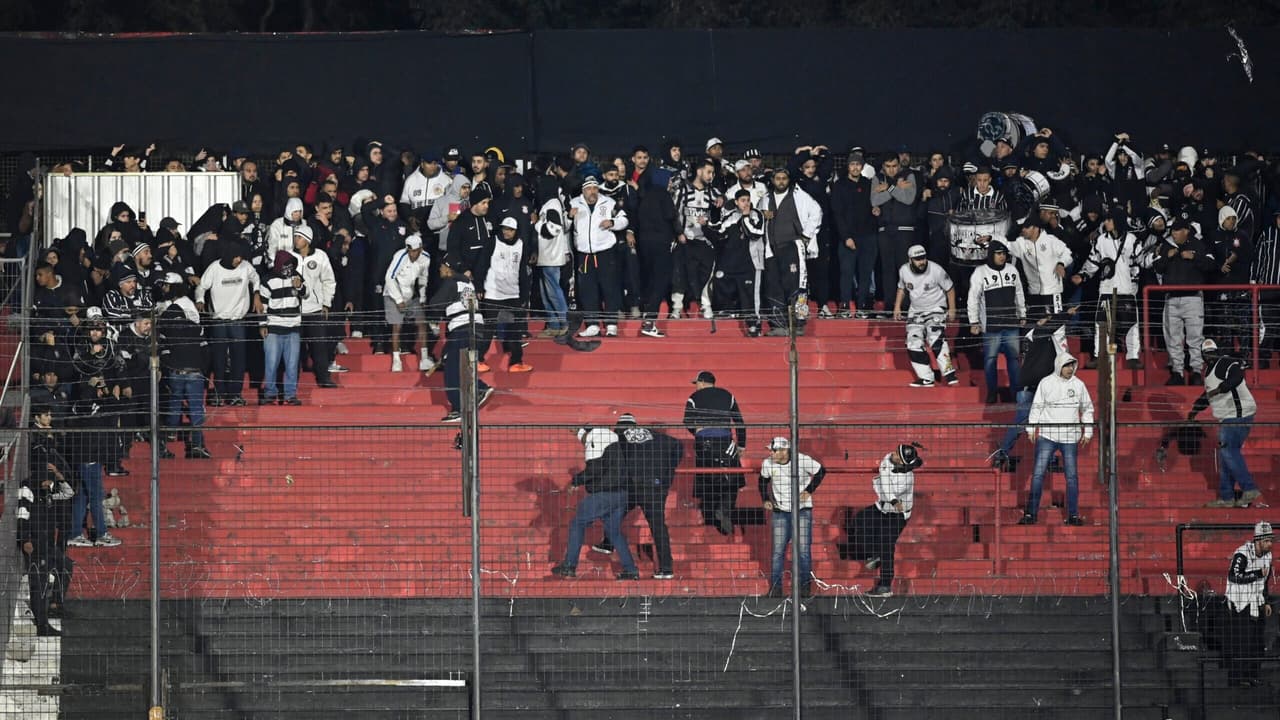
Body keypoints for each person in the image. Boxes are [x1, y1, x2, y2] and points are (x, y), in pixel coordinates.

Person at [591, 413, 684, 579]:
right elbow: (677, 445)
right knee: (658, 526)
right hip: (655, 487)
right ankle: (666, 568)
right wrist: (668, 470)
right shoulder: (656, 435)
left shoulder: (619, 437)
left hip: (633, 485)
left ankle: (607, 542)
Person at [991, 306, 1080, 471]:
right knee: (1026, 422)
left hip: (1037, 388)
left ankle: (1046, 459)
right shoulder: (1035, 333)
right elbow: (1051, 325)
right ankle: (1004, 453)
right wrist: (1067, 314)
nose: (1049, 321)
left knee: (1040, 423)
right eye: (1046, 318)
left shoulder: (1038, 336)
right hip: (1032, 388)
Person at [551, 426, 641, 580]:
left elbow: (594, 469)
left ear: (586, 434)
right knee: (614, 532)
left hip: (603, 494)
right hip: (621, 495)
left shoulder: (595, 440)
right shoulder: (612, 442)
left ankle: (569, 566)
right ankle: (630, 569)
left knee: (577, 524)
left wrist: (575, 481)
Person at [18, 406, 77, 636]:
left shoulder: (49, 492)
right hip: (34, 543)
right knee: (38, 582)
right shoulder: (28, 488)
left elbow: (69, 492)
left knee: (65, 565)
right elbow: (21, 513)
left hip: (46, 543)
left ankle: (55, 604)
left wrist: (60, 476)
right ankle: (42, 624)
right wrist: (24, 540)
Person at [1020, 353, 1093, 526]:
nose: (1070, 369)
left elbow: (1088, 408)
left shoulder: (1079, 385)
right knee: (1038, 475)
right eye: (1067, 365)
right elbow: (1037, 406)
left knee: (1072, 477)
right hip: (1047, 435)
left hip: (1070, 437)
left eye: (1072, 365)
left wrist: (1087, 432)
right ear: (1059, 365)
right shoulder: (1046, 383)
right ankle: (1031, 514)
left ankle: (1073, 515)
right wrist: (1031, 428)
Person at [842, 443, 922, 598]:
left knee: (886, 545)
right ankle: (874, 554)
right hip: (884, 507)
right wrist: (893, 501)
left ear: (903, 463)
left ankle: (885, 585)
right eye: (896, 452)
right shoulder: (887, 460)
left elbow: (892, 492)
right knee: (859, 521)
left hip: (898, 514)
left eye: (898, 456)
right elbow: (886, 487)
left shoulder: (907, 479)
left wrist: (894, 503)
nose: (893, 455)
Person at [1193, 339, 1260, 508]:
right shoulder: (1209, 372)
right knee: (1226, 455)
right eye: (1207, 353)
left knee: (1228, 451)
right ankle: (1227, 497)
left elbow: (1237, 376)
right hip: (1230, 416)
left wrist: (1224, 387)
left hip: (1237, 414)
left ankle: (1249, 488)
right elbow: (1208, 395)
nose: (1210, 356)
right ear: (1203, 355)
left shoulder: (1225, 362)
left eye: (1212, 352)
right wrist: (1194, 410)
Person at [682, 370, 750, 534]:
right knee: (733, 477)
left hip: (704, 442)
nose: (696, 386)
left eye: (697, 383)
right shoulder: (728, 395)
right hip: (725, 440)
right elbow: (739, 422)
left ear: (703, 382)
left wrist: (696, 431)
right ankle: (724, 510)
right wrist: (741, 444)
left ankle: (711, 514)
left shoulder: (694, 397)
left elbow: (687, 420)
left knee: (707, 475)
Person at [757, 167, 822, 336]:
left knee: (796, 286)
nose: (780, 181)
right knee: (774, 286)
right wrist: (762, 215)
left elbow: (817, 212)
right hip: (771, 249)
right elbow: (755, 218)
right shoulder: (765, 199)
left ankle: (799, 323)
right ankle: (778, 325)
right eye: (777, 178)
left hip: (792, 247)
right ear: (772, 180)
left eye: (784, 178)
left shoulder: (798, 195)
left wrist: (806, 236)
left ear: (788, 180)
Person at [430, 259, 496, 423]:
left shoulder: (450, 282)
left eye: (441, 267)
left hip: (461, 328)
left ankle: (462, 404)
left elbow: (435, 304)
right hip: (477, 328)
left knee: (452, 370)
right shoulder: (468, 283)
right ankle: (479, 389)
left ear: (448, 268)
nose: (439, 270)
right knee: (461, 365)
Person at [759, 437, 826, 598]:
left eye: (774, 451)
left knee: (803, 550)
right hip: (780, 510)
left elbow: (821, 471)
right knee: (778, 551)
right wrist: (766, 499)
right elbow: (762, 481)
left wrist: (809, 490)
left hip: (802, 510)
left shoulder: (801, 460)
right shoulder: (768, 463)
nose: (772, 453)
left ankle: (804, 587)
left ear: (784, 451)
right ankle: (776, 588)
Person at [196, 239, 259, 406]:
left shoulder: (246, 267)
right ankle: (218, 392)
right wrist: (200, 299)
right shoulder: (215, 268)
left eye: (240, 257)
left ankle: (235, 394)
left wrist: (257, 294)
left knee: (239, 360)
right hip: (219, 321)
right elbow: (201, 286)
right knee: (219, 360)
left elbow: (256, 279)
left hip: (238, 320)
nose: (239, 260)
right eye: (236, 257)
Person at [156, 272, 211, 459]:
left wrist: (170, 367)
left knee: (174, 405)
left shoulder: (168, 328)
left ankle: (170, 436)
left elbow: (164, 350)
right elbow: (205, 350)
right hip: (195, 371)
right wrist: (203, 369)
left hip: (176, 372)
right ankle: (196, 445)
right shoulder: (196, 327)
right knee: (196, 409)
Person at [1154, 217, 1213, 385]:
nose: (1174, 233)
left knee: (1195, 338)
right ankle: (1177, 372)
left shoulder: (1198, 244)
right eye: (1172, 230)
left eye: (1177, 230)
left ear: (1186, 231)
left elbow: (1211, 265)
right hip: (1171, 297)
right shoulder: (1167, 245)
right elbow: (1157, 266)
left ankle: (1196, 372)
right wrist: (1167, 256)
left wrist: (1194, 257)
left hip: (1193, 298)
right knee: (1173, 337)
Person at [968, 240, 1026, 403]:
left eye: (1004, 254)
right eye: (998, 254)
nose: (1002, 257)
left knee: (1014, 360)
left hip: (1011, 324)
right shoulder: (980, 272)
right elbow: (972, 298)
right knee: (990, 360)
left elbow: (1019, 293)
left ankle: (1016, 394)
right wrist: (974, 321)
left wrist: (1022, 314)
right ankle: (992, 392)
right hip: (991, 325)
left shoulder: (1012, 270)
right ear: (991, 254)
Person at [570, 177, 628, 337]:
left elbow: (624, 219)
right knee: (588, 291)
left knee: (609, 288)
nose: (592, 192)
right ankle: (592, 324)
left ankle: (611, 324)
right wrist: (569, 216)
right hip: (584, 254)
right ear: (583, 190)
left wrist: (612, 222)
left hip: (605, 252)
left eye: (595, 188)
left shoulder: (608, 202)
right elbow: (564, 224)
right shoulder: (574, 203)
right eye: (589, 189)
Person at [893, 244, 957, 387]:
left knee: (935, 337)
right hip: (915, 310)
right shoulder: (903, 270)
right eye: (917, 259)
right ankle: (926, 377)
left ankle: (949, 373)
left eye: (923, 258)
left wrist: (952, 309)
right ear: (910, 260)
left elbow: (950, 288)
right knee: (913, 342)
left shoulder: (936, 269)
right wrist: (897, 307)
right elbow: (901, 288)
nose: (921, 262)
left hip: (936, 307)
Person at [1221, 521, 1273, 687]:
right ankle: (1237, 678)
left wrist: (1266, 601)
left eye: (1270, 540)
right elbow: (1233, 576)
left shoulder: (1268, 556)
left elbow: (1265, 581)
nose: (1269, 544)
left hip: (1256, 602)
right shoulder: (1242, 554)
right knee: (1242, 642)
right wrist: (1256, 573)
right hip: (1240, 603)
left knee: (1257, 642)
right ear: (1257, 540)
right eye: (1266, 541)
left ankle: (1253, 675)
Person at [292, 224, 338, 388]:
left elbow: (328, 281)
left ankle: (323, 378)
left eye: (299, 237)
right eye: (295, 236)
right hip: (294, 311)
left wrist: (326, 303)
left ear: (308, 240)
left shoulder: (321, 256)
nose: (296, 240)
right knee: (294, 349)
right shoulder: (290, 256)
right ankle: (293, 381)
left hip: (315, 309)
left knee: (319, 346)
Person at [383, 233, 436, 373]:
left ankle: (424, 359)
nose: (412, 254)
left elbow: (424, 278)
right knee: (397, 326)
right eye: (410, 251)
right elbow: (389, 277)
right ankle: (396, 360)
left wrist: (423, 297)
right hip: (393, 294)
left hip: (411, 295)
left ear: (420, 249)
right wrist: (398, 299)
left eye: (415, 251)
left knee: (421, 323)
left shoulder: (426, 258)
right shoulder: (400, 256)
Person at [259, 251, 305, 406]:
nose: (288, 268)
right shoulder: (268, 280)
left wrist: (300, 287)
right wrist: (262, 325)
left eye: (291, 265)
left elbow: (306, 295)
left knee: (292, 365)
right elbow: (262, 306)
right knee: (271, 363)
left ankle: (290, 395)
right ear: (279, 264)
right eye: (286, 265)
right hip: (273, 328)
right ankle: (270, 393)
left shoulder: (297, 276)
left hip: (293, 328)